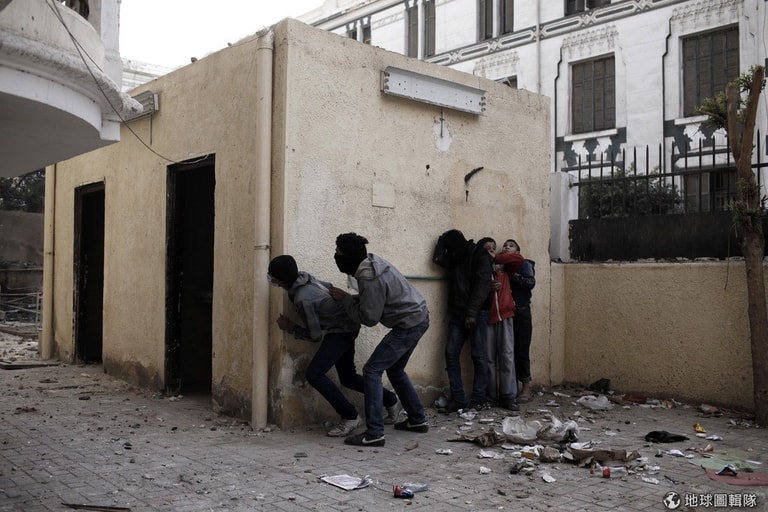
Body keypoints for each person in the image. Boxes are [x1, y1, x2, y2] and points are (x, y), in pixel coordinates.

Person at [268, 254, 401, 438]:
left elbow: (315, 336)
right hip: (348, 326)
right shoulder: (304, 278)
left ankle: (350, 416)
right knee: (347, 377)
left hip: (341, 331)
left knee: (314, 374)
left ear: (281, 280)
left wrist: (290, 327)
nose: (272, 281)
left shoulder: (303, 298)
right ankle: (391, 400)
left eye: (274, 278)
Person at [329, 233, 430, 447]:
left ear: (348, 256)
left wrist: (346, 301)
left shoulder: (368, 277)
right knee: (395, 370)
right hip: (418, 317)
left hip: (408, 324)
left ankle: (374, 433)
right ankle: (417, 419)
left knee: (372, 370)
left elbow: (369, 318)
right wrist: (354, 299)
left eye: (338, 252)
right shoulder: (371, 262)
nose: (335, 256)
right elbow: (375, 298)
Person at [433, 229, 493, 413]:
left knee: (479, 356)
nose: (448, 252)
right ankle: (459, 399)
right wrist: (441, 240)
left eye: (449, 248)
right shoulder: (455, 256)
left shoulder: (479, 255)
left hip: (477, 313)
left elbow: (482, 285)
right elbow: (438, 259)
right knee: (451, 354)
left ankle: (478, 399)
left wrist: (472, 313)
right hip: (459, 313)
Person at [478, 237, 525, 411]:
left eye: (494, 247)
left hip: (505, 315)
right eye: (487, 248)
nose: (491, 250)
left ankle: (508, 396)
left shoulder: (504, 266)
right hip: (488, 317)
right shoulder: (481, 267)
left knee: (507, 356)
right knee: (489, 358)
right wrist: (487, 287)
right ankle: (491, 396)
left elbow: (519, 259)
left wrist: (496, 258)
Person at [503, 239, 536, 403]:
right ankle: (511, 388)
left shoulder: (524, 264)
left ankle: (526, 388)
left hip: (522, 312)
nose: (507, 247)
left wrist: (513, 274)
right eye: (505, 245)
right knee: (509, 351)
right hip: (507, 313)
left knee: (522, 350)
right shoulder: (502, 267)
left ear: (517, 251)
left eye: (511, 245)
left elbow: (530, 283)